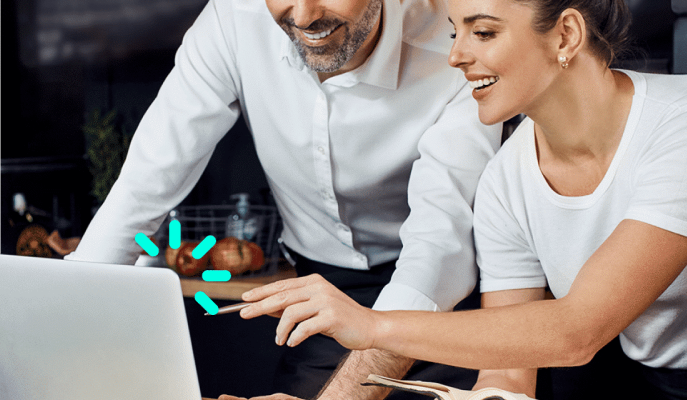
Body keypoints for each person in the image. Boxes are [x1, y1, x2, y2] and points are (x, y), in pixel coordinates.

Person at [233, 0, 687, 398]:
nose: (455, 56)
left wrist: (370, 325)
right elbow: (513, 371)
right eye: (454, 31)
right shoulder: (506, 182)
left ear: (565, 34)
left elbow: (576, 331)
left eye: (481, 32)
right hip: (642, 384)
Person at [64, 0, 505, 398]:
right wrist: (63, 323)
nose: (304, 15)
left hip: (448, 305)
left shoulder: (457, 46)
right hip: (320, 295)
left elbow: (438, 251)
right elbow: (144, 184)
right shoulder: (232, 20)